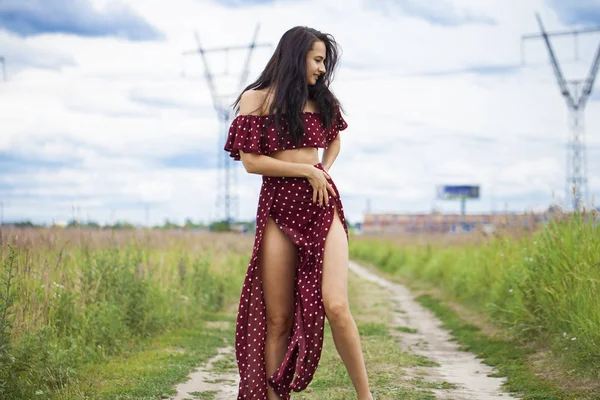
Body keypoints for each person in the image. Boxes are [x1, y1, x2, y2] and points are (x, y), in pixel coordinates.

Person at [224, 26, 375, 400]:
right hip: (278, 208)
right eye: (318, 60)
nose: (323, 69)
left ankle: (366, 397)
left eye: (325, 61)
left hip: (322, 205)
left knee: (336, 305)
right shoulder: (255, 100)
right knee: (278, 320)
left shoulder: (320, 100)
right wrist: (306, 170)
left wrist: (323, 169)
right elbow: (251, 162)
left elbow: (336, 137)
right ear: (296, 56)